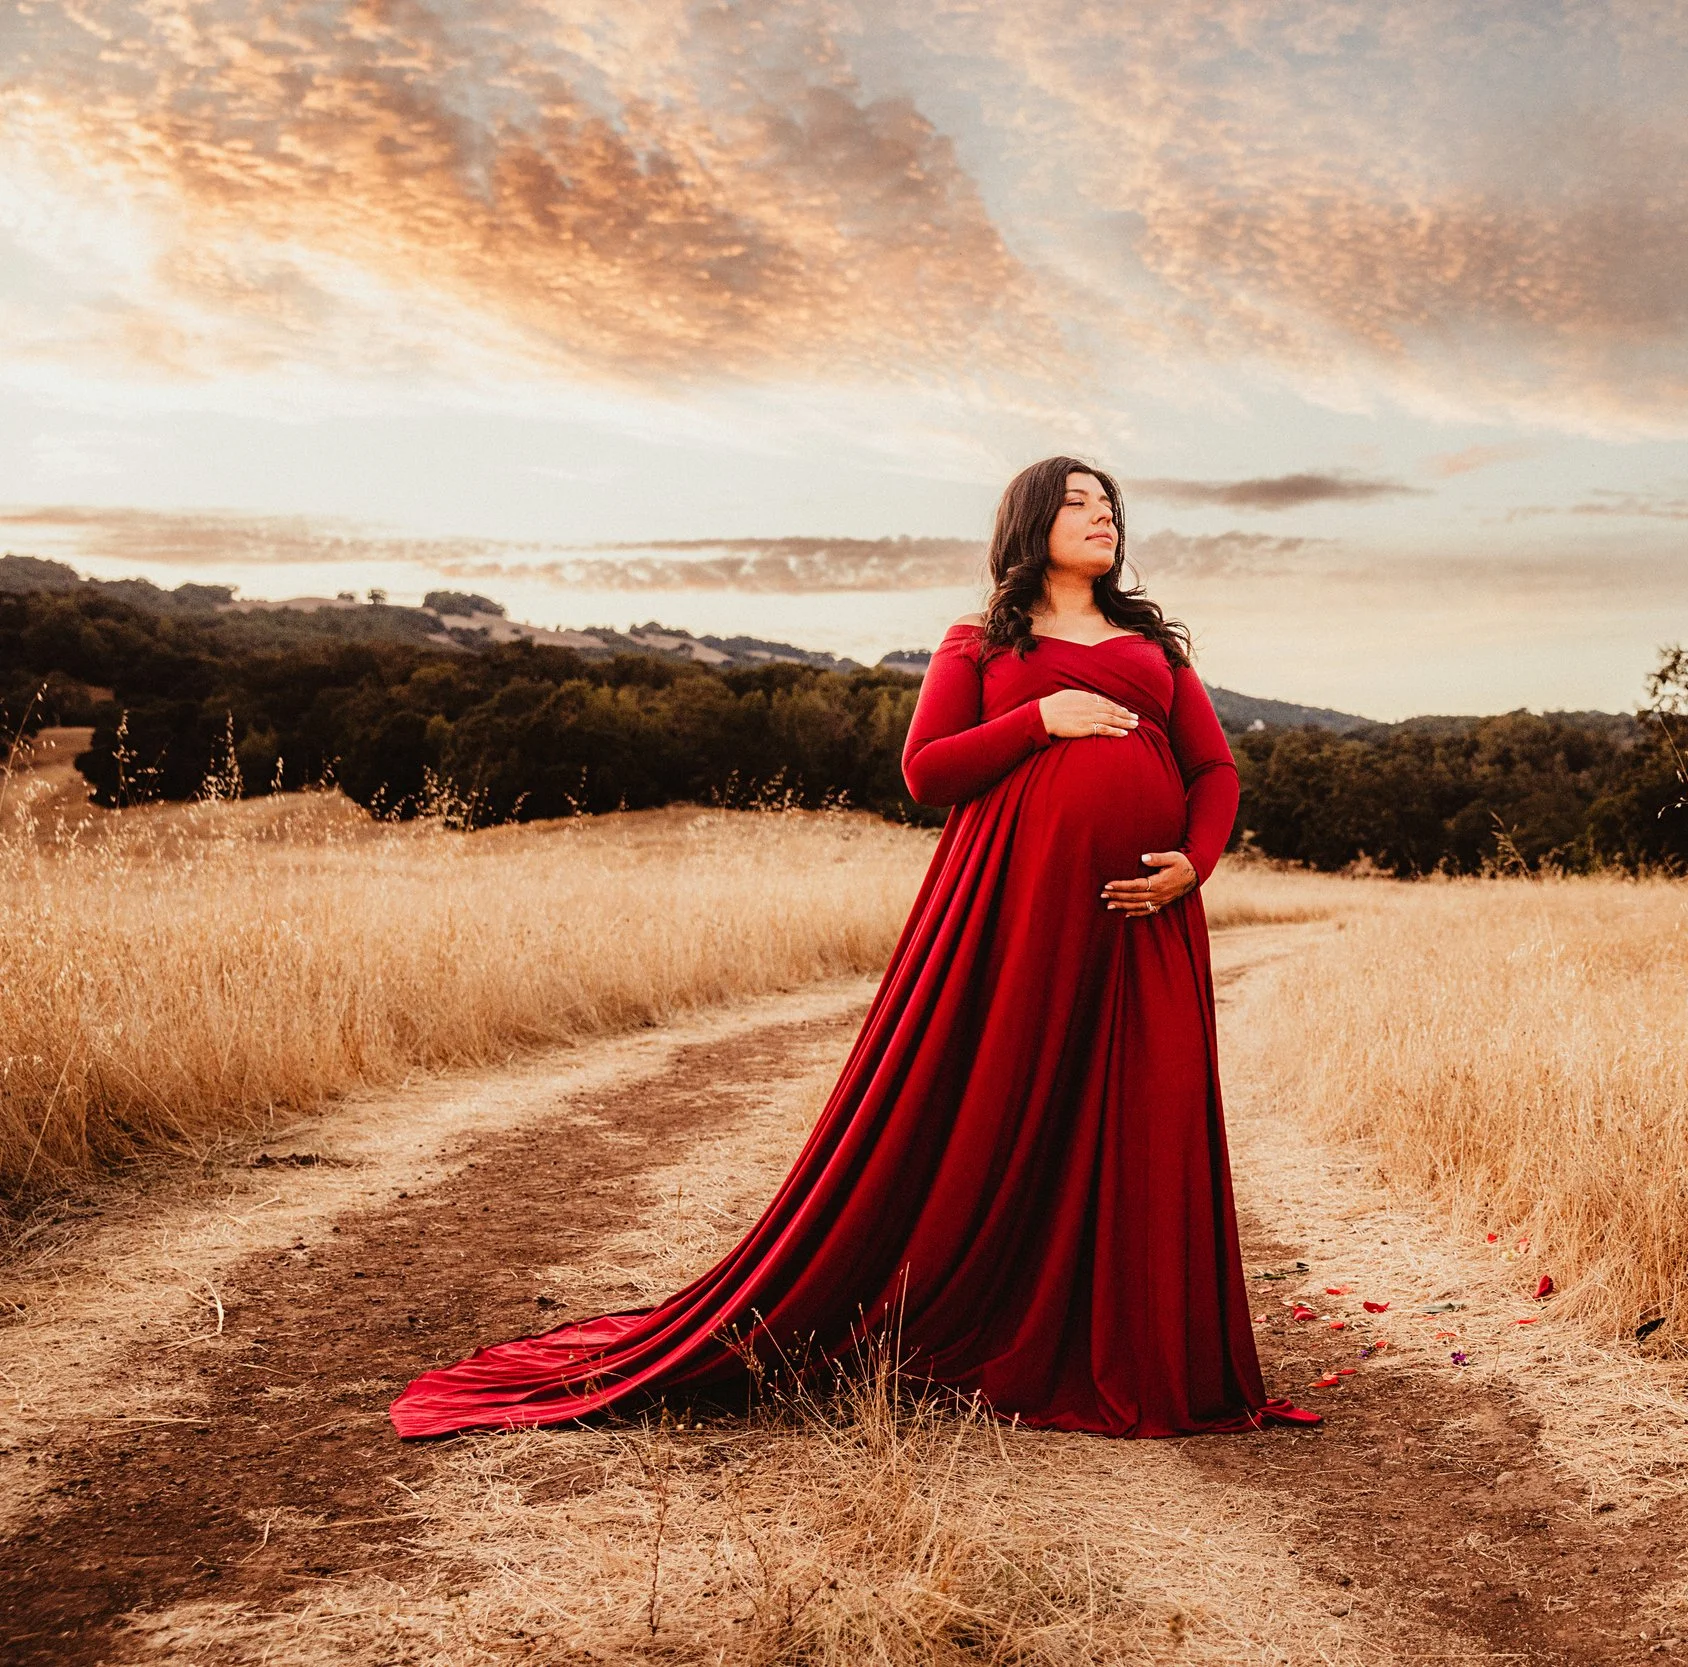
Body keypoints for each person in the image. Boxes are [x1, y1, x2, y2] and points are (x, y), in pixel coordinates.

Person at [390, 456, 1314, 1439]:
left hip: (1145, 917)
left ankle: (1142, 1347)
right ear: (1031, 522)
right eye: (1077, 503)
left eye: (1108, 504)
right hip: (1020, 915)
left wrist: (1195, 864)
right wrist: (1040, 717)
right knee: (1004, 1096)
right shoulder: (978, 643)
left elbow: (1211, 767)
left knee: (1146, 1108)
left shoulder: (1150, 645)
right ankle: (1005, 1309)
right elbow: (927, 770)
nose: (1102, 517)